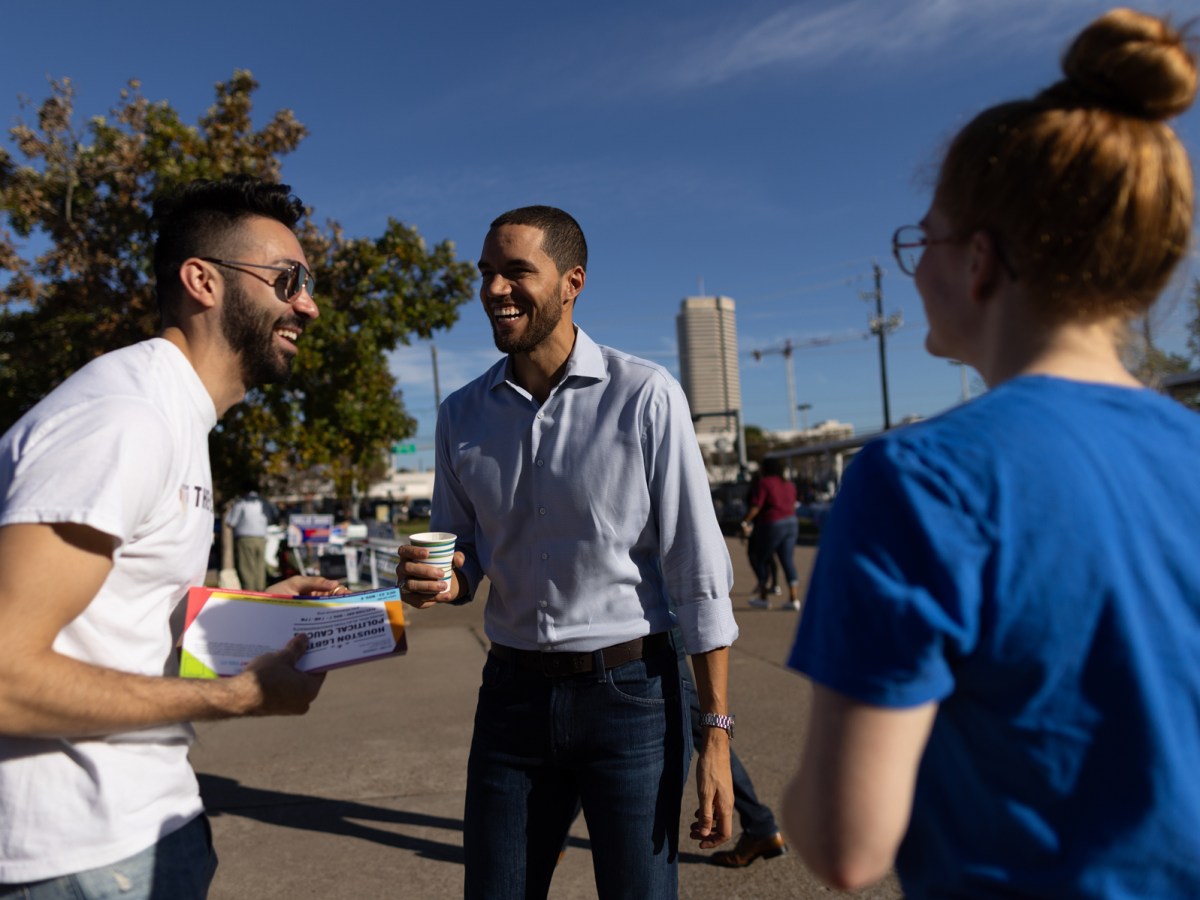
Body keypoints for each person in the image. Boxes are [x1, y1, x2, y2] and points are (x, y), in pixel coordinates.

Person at [782, 9, 1200, 897]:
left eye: (919, 240)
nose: (916, 267)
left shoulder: (918, 480)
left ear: (978, 261)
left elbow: (846, 843)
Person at [0, 175, 345, 899]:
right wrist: (238, 696)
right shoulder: (126, 417)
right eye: (287, 280)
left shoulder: (174, 415)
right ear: (203, 281)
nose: (307, 304)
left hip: (143, 828)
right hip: (76, 857)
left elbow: (113, 622)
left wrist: (247, 613)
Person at [397, 205, 739, 899]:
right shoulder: (461, 415)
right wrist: (436, 581)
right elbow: (465, 560)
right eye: (487, 273)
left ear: (571, 282)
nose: (495, 289)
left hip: (631, 696)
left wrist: (717, 736)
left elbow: (698, 574)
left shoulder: (644, 396)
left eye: (517, 271)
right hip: (512, 699)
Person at [740, 458, 799, 610]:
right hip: (792, 522)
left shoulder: (765, 483)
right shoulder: (789, 484)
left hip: (772, 523)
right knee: (787, 560)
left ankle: (763, 597)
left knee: (760, 559)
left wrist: (745, 521)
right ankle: (793, 599)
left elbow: (757, 506)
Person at [225, 482, 278, 591]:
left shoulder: (242, 503)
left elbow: (231, 522)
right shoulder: (264, 502)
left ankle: (250, 595)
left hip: (245, 539)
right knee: (260, 569)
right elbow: (272, 518)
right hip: (261, 538)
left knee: (247, 569)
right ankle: (261, 593)